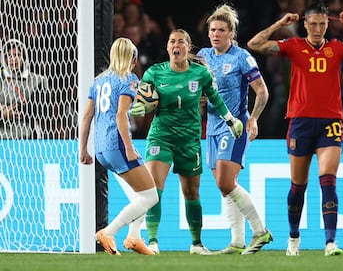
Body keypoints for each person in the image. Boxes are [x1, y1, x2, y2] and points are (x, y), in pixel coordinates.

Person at [247, 0, 343, 256]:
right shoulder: (294, 45)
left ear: (327, 24)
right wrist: (279, 23)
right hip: (300, 121)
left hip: (331, 121)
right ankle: (293, 239)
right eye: (313, 24)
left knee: (328, 180)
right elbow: (254, 44)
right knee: (298, 185)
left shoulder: (338, 47)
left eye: (323, 24)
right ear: (305, 23)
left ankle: (330, 242)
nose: (318, 29)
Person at [131, 28, 244, 255]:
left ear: (187, 48)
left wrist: (231, 120)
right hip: (161, 136)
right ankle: (152, 241)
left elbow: (215, 98)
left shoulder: (200, 74)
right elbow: (141, 101)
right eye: (172, 41)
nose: (176, 45)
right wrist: (140, 106)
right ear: (167, 47)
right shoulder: (155, 72)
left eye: (181, 42)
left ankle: (196, 244)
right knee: (154, 189)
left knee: (192, 192)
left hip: (190, 139)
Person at [196, 3, 272, 255]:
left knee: (226, 182)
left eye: (221, 30)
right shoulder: (204, 56)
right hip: (212, 129)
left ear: (231, 33)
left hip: (235, 126)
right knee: (224, 185)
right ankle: (237, 241)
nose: (216, 34)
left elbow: (262, 91)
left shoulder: (241, 58)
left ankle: (260, 231)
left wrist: (254, 120)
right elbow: (196, 89)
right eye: (213, 29)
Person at [79, 37, 159, 256]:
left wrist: (83, 150)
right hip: (117, 145)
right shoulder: (129, 79)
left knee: (140, 193)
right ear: (133, 59)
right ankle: (109, 232)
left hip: (101, 149)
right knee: (150, 196)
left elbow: (86, 117)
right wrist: (128, 146)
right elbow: (121, 114)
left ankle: (134, 237)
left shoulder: (98, 81)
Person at [0, 39, 48, 139]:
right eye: (10, 55)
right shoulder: (1, 79)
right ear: (4, 58)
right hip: (3, 137)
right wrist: (3, 113)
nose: (14, 59)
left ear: (24, 57)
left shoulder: (37, 80)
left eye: (18, 54)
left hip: (27, 136)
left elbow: (44, 111)